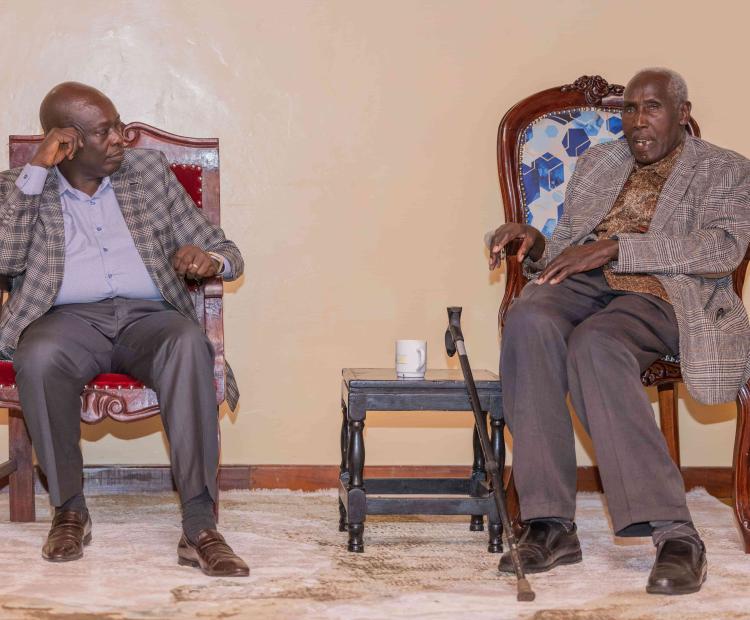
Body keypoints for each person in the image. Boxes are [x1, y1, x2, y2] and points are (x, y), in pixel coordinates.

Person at [488, 68, 750, 595]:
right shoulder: (600, 160)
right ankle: (548, 523)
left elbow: (721, 251)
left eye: (651, 108)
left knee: (596, 345)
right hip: (586, 280)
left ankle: (676, 534)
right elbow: (567, 242)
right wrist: (534, 244)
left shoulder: (726, 170)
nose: (636, 121)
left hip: (662, 292)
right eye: (630, 109)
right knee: (529, 318)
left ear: (682, 112)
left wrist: (619, 247)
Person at [0, 82, 248, 577]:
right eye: (104, 131)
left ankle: (200, 525)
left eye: (118, 124)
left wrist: (209, 259)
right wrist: (36, 172)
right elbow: (5, 258)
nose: (121, 138)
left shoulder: (149, 174)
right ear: (67, 141)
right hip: (66, 321)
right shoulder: (22, 186)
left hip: (149, 317)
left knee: (188, 343)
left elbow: (228, 252)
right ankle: (70, 510)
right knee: (39, 356)